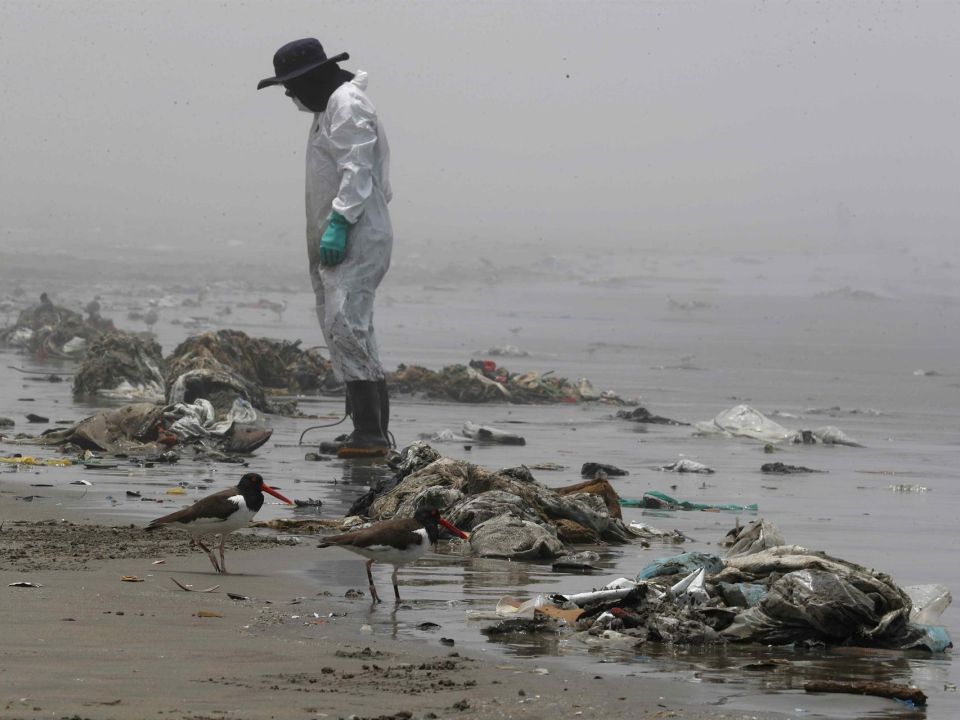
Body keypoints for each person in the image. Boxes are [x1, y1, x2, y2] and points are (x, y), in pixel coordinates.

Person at [258, 38, 393, 457]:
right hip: (339, 234)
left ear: (312, 77)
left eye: (290, 85)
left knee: (346, 326)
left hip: (354, 233)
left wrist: (339, 223)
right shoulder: (328, 108)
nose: (288, 94)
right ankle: (365, 430)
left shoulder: (348, 105)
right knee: (348, 328)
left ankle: (371, 434)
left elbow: (358, 170)